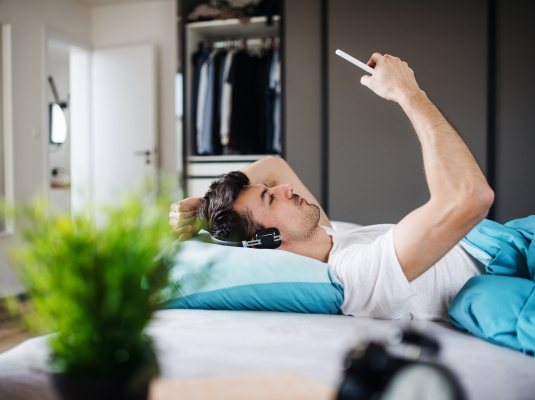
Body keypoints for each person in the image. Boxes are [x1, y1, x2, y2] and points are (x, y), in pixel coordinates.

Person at [169, 53, 495, 322]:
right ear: (265, 241)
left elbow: (272, 164)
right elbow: (470, 196)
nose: (283, 186)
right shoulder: (355, 273)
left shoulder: (326, 235)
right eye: (270, 197)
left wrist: (204, 206)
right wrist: (408, 93)